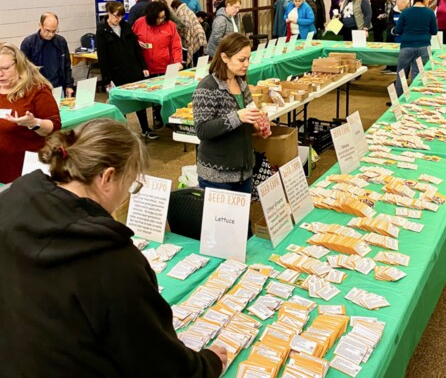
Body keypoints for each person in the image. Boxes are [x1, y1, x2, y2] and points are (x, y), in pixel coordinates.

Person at [0, 119, 226, 377]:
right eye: (131, 184)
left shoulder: (9, 202)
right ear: (107, 177)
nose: (128, 194)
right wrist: (208, 364)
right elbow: (154, 360)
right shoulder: (111, 261)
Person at [193, 33, 269, 198]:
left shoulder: (241, 83)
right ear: (224, 57)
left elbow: (249, 114)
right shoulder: (207, 87)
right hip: (217, 175)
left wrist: (258, 125)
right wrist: (238, 117)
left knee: (242, 223)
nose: (246, 64)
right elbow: (202, 130)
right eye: (241, 60)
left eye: (248, 59)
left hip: (244, 172)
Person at [0, 42, 61, 184]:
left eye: (5, 68)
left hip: (24, 170)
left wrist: (34, 123)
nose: (0, 74)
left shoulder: (36, 90)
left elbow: (55, 126)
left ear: (19, 65)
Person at [96, 1, 157, 140]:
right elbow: (103, 57)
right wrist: (106, 78)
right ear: (109, 13)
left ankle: (145, 129)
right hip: (116, 72)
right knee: (120, 104)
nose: (119, 19)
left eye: (121, 17)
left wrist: (143, 66)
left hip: (133, 69)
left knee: (139, 101)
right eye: (116, 16)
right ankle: (122, 133)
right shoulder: (102, 31)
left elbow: (136, 48)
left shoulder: (126, 26)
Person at [132, 1, 183, 129]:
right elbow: (131, 40)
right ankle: (152, 120)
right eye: (159, 18)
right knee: (148, 97)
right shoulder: (139, 23)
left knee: (166, 96)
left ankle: (165, 118)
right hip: (146, 68)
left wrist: (178, 62)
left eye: (163, 17)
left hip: (165, 67)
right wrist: (137, 42)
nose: (161, 20)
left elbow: (176, 46)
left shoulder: (170, 25)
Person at [394, 0, 438, 97]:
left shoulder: (405, 12)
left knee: (401, 74)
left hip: (406, 46)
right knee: (418, 75)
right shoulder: (430, 13)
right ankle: (415, 98)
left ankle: (399, 98)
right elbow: (434, 31)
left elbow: (398, 30)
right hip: (423, 46)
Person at [20, 12, 74, 97]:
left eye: (54, 31)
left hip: (58, 88)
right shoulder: (29, 43)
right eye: (47, 31)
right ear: (40, 25)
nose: (51, 34)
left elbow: (67, 66)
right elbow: (23, 69)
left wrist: (69, 86)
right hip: (37, 90)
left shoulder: (61, 42)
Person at [170, 0, 207, 67]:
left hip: (193, 37)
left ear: (175, 8)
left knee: (195, 60)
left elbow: (185, 28)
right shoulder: (186, 9)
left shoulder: (182, 13)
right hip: (199, 36)